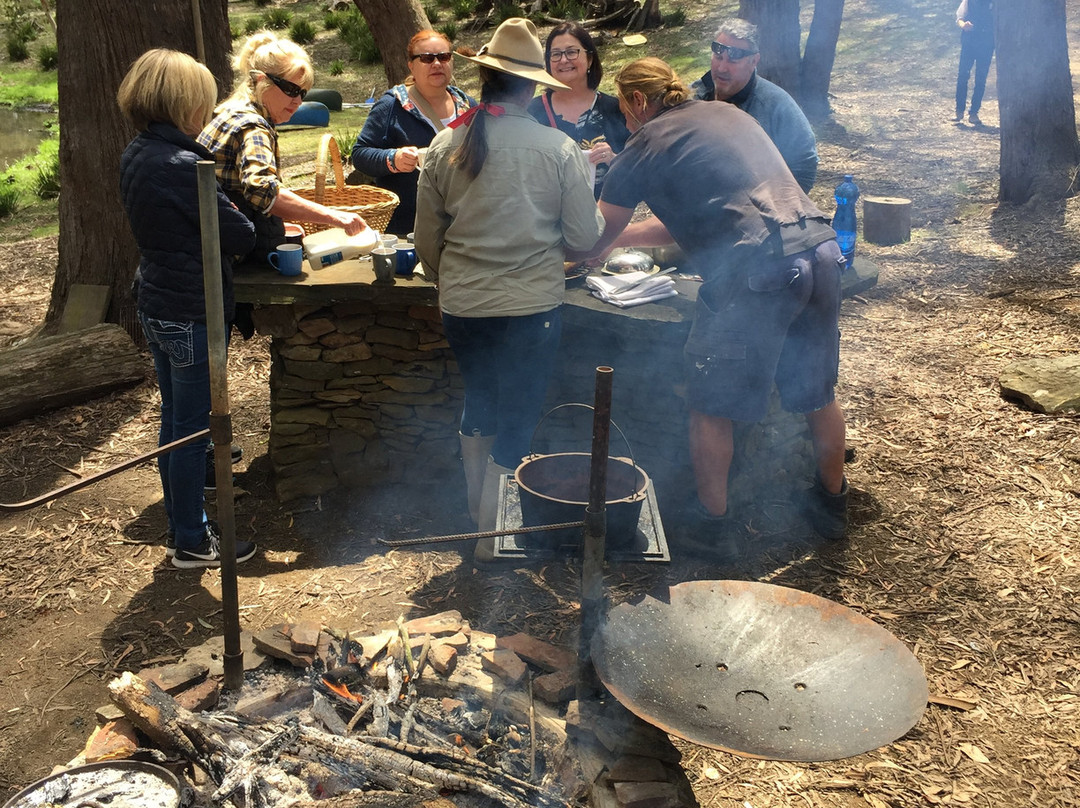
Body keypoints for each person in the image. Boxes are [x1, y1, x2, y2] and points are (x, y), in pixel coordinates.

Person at [582, 57, 847, 558]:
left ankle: (711, 527)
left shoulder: (646, 143)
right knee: (817, 393)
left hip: (758, 272)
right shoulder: (727, 114)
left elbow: (594, 233)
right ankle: (833, 505)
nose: (626, 123)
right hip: (821, 251)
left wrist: (571, 250)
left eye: (624, 110)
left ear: (637, 101)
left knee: (710, 404)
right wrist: (616, 242)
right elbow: (695, 217)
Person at [413, 18, 604, 560]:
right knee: (518, 417)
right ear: (531, 87)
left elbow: (427, 241)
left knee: (480, 400)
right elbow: (584, 238)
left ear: (485, 79)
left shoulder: (445, 142)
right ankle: (492, 540)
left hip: (463, 305)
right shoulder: (558, 148)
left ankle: (479, 521)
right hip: (530, 308)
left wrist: (452, 280)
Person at [117, 49, 259, 570]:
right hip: (188, 308)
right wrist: (234, 207)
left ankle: (183, 526)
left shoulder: (139, 150)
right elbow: (240, 233)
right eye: (203, 100)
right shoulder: (180, 165)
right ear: (183, 103)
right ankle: (192, 541)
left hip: (157, 300)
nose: (207, 110)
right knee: (193, 430)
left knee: (175, 420)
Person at [199, 31, 369, 264]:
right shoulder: (252, 126)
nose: (297, 101)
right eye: (290, 89)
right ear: (262, 80)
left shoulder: (231, 112)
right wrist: (336, 217)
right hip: (222, 260)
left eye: (302, 93)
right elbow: (263, 192)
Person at [350, 31, 475, 235]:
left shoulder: (468, 105)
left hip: (463, 226)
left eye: (444, 57)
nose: (437, 64)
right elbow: (360, 154)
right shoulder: (392, 106)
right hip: (408, 230)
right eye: (426, 58)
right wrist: (394, 159)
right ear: (411, 65)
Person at [690, 18, 818, 192]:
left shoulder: (776, 105)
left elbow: (804, 165)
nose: (722, 68)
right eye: (718, 58)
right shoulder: (692, 96)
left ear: (754, 61)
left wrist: (776, 203)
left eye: (732, 61)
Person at [527, 22, 630, 199]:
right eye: (556, 54)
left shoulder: (615, 108)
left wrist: (613, 159)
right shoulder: (532, 112)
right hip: (550, 212)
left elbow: (637, 170)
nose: (563, 60)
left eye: (571, 52)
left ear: (590, 59)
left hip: (608, 211)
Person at [953, 0, 994, 125]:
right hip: (969, 43)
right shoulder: (969, 1)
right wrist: (964, 25)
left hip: (986, 44)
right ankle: (959, 110)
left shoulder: (995, 3)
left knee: (980, 79)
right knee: (962, 76)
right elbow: (959, 18)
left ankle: (974, 112)